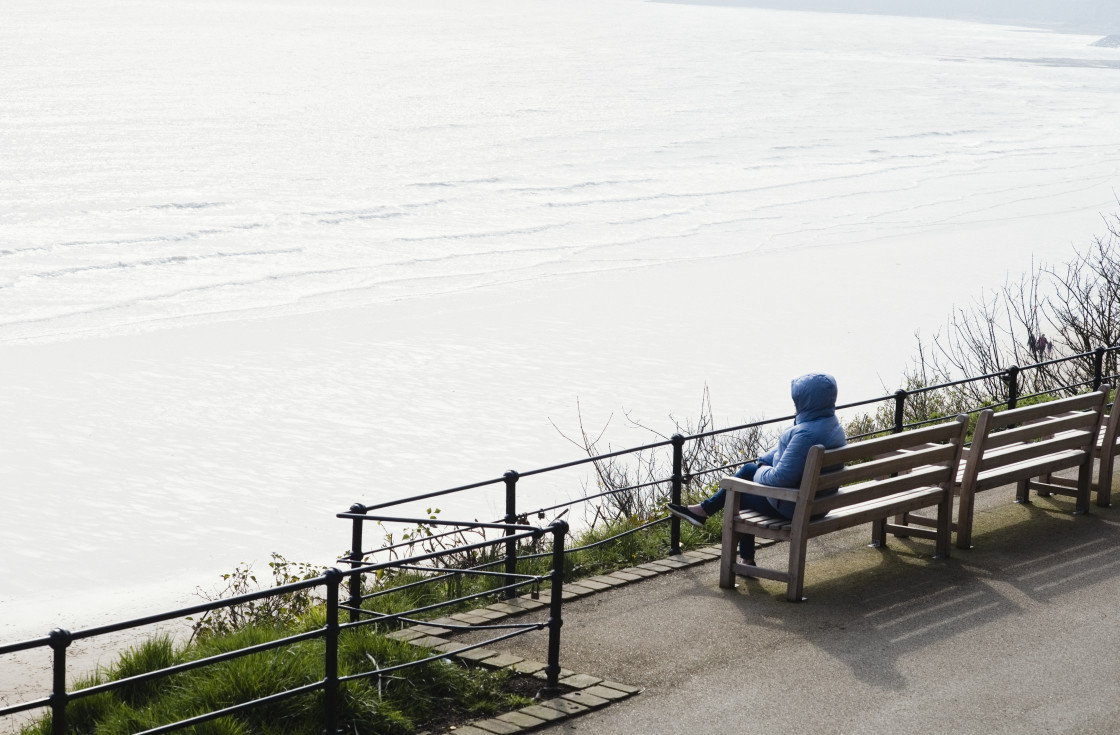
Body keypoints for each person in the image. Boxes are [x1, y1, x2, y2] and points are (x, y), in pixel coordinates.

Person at [667, 372, 847, 567]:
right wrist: (762, 462)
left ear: (806, 401)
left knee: (741, 489)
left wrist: (759, 469)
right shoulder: (830, 424)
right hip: (821, 503)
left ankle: (739, 551)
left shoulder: (805, 434)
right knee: (747, 474)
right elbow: (789, 453)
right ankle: (706, 515)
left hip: (798, 507)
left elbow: (780, 477)